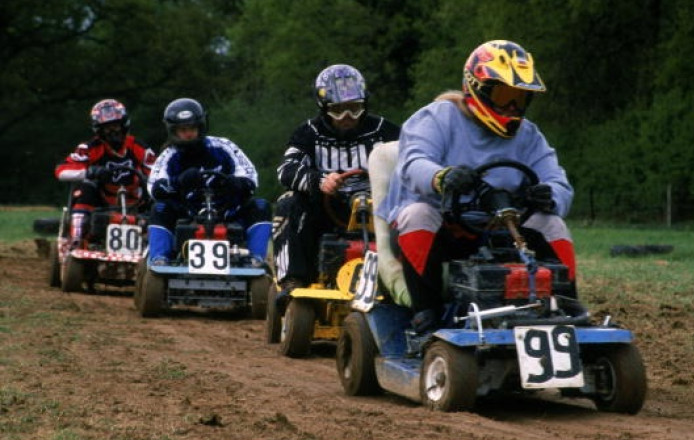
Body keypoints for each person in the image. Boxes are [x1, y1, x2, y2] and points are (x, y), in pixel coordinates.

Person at [375, 40, 577, 334]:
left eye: (520, 98)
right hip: (441, 230)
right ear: (476, 87)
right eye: (505, 95)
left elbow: (558, 182)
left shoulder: (529, 135)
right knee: (417, 213)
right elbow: (413, 163)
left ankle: (570, 307)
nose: (512, 107)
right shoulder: (436, 118)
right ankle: (427, 312)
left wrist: (550, 195)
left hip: (500, 231)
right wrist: (441, 177)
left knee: (552, 222)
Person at [273, 64, 401, 291]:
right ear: (323, 108)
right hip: (327, 212)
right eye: (338, 110)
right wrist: (319, 180)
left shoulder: (385, 130)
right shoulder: (308, 132)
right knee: (289, 201)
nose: (347, 117)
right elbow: (286, 170)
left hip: (379, 210)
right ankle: (293, 280)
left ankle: (408, 281)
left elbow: (412, 164)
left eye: (354, 108)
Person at [146, 98, 271, 266]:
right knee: (160, 208)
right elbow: (154, 187)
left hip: (226, 212)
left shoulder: (223, 146)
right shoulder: (169, 155)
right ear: (174, 131)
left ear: (200, 127)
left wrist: (234, 183)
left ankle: (256, 260)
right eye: (183, 130)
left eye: (192, 128)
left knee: (260, 205)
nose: (188, 134)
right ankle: (159, 259)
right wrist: (179, 182)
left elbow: (250, 177)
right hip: (188, 213)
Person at [55, 99, 156, 249]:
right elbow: (61, 171)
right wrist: (89, 172)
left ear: (123, 125)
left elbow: (157, 173)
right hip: (101, 201)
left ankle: (156, 246)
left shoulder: (138, 146)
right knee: (85, 189)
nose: (113, 131)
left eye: (115, 126)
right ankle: (77, 240)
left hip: (136, 200)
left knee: (160, 200)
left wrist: (149, 181)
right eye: (107, 128)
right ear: (99, 130)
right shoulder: (89, 148)